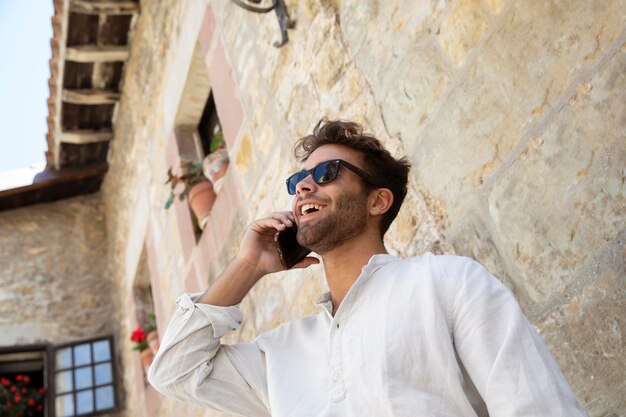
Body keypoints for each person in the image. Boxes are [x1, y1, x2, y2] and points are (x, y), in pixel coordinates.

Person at [148, 118, 588, 416]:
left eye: (328, 172)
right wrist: (247, 265)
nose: (303, 185)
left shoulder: (447, 283)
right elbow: (174, 371)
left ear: (378, 200)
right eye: (298, 180)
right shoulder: (280, 355)